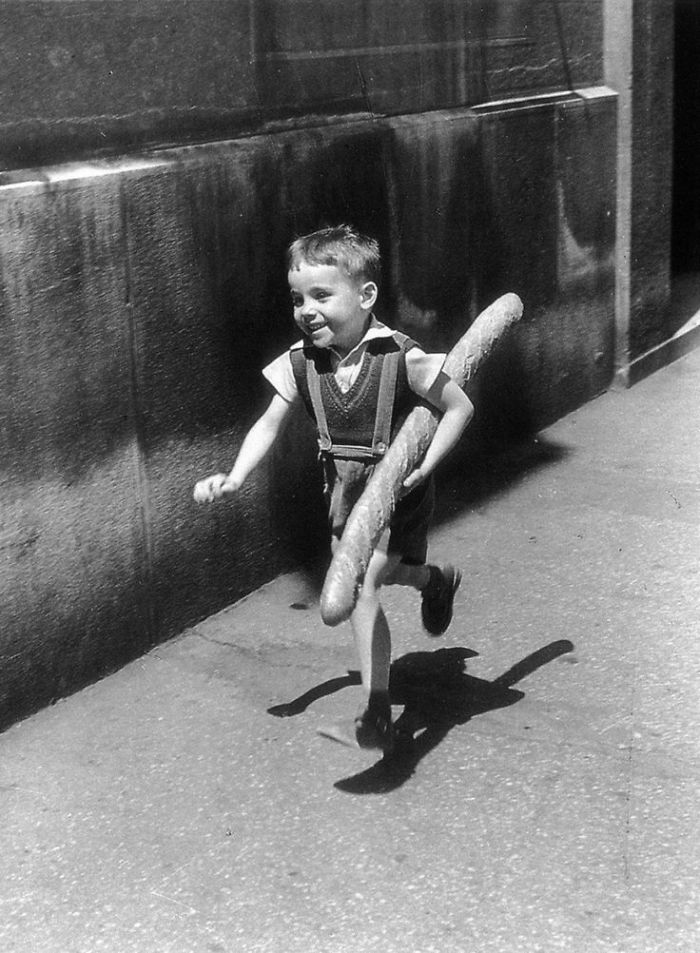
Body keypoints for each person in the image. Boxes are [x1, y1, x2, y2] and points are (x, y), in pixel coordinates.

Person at [194, 225, 474, 753]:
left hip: (396, 490)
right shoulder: (301, 361)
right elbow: (269, 423)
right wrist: (235, 475)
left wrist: (426, 464)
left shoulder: (401, 358)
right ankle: (434, 580)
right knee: (379, 576)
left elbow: (460, 407)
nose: (306, 309)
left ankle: (376, 715)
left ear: (365, 296)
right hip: (343, 492)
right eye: (298, 298)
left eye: (322, 295)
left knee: (363, 586)